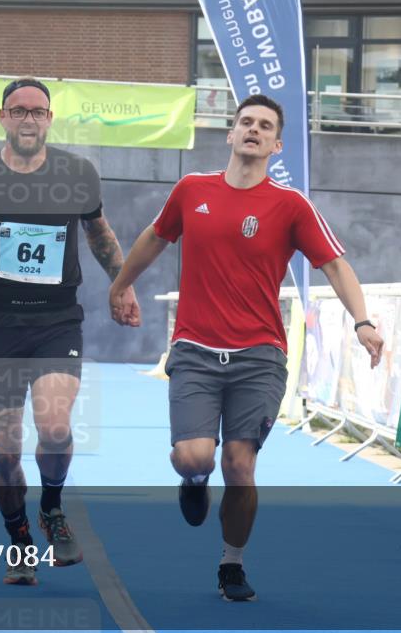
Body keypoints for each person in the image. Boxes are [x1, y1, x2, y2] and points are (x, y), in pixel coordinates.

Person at [108, 94, 385, 602]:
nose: (254, 130)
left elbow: (335, 264)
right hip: (195, 348)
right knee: (193, 457)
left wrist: (362, 320)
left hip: (259, 355)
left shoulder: (291, 205)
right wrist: (121, 284)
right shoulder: (192, 190)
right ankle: (194, 481)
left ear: (276, 145)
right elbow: (155, 237)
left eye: (265, 126)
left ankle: (231, 563)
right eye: (246, 122)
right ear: (231, 134)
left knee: (239, 466)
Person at [0, 77, 134, 586]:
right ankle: (20, 538)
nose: (28, 119)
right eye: (19, 110)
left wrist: (122, 284)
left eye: (38, 111)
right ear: (2, 116)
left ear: (50, 118)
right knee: (4, 454)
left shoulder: (76, 172)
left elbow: (99, 233)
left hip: (56, 322)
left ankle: (51, 507)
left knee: (55, 428)